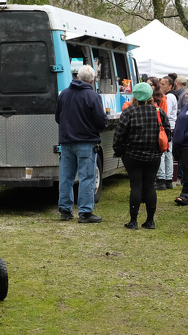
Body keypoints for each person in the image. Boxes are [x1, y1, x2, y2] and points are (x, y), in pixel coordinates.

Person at [112, 82, 169, 229]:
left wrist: (119, 151)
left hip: (132, 155)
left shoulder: (129, 112)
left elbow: (119, 135)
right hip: (153, 156)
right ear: (150, 95)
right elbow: (168, 133)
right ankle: (150, 221)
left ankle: (133, 221)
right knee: (149, 186)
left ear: (135, 96)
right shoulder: (158, 111)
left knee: (135, 186)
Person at [55, 64, 107, 223]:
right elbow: (100, 121)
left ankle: (65, 210)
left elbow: (58, 117)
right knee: (87, 177)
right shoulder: (93, 96)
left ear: (77, 77)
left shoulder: (64, 94)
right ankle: (84, 212)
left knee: (66, 177)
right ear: (92, 80)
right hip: (86, 142)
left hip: (66, 142)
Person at [156, 75, 178, 190]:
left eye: (163, 84)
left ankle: (163, 178)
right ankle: (168, 178)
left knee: (164, 152)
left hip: (167, 127)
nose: (161, 86)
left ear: (170, 86)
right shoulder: (171, 96)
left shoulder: (168, 97)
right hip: (170, 127)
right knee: (168, 153)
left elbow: (166, 113)